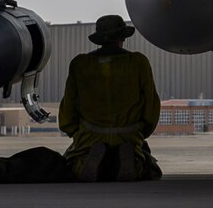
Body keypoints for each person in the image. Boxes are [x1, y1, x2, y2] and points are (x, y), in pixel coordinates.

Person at [58, 14, 162, 181]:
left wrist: (72, 130)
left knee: (71, 162)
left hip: (90, 135)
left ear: (99, 40)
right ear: (123, 37)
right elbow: (151, 103)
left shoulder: (80, 64)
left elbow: (69, 104)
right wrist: (142, 131)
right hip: (129, 134)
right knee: (150, 166)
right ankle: (133, 162)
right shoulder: (138, 62)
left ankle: (84, 161)